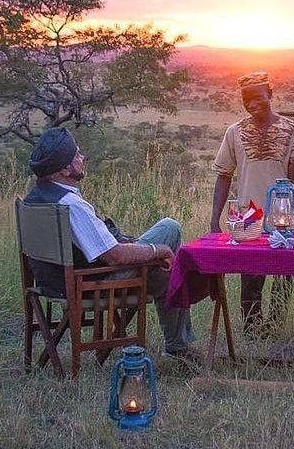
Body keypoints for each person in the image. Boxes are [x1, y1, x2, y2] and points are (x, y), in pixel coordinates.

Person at [24, 127, 194, 358]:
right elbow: (114, 256)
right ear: (64, 169)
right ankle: (178, 349)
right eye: (76, 155)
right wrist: (159, 250)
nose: (82, 158)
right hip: (89, 285)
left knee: (164, 273)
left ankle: (179, 348)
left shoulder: (34, 198)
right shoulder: (70, 204)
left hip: (53, 283)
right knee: (169, 229)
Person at [210, 71, 294, 337]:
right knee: (250, 279)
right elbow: (223, 175)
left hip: (285, 215)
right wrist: (214, 220)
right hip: (249, 215)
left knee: (284, 276)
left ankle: (275, 329)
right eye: (246, 99)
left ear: (270, 94)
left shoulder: (292, 128)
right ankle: (251, 333)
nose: (251, 104)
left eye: (258, 97)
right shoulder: (234, 132)